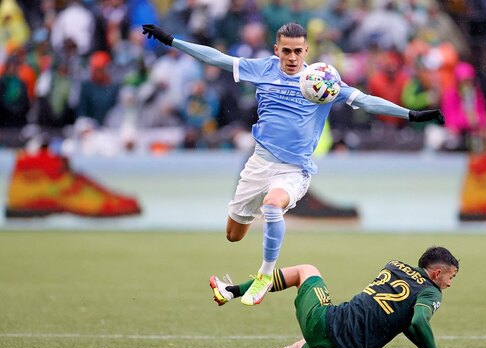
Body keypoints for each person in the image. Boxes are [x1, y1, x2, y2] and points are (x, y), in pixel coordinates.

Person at [142, 22, 445, 306]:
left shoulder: (322, 81)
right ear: (276, 50)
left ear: (306, 51)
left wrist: (412, 114)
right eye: (286, 50)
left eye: (298, 51)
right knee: (233, 235)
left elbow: (365, 100)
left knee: (273, 206)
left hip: (293, 170)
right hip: (259, 163)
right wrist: (171, 40)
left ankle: (264, 276)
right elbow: (217, 58)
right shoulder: (263, 68)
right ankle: (234, 287)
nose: (291, 57)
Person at [209, 246, 470, 348]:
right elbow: (417, 321)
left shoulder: (393, 264)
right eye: (451, 276)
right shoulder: (430, 291)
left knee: (305, 271)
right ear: (437, 273)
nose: (450, 283)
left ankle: (230, 291)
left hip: (327, 325)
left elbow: (411, 323)